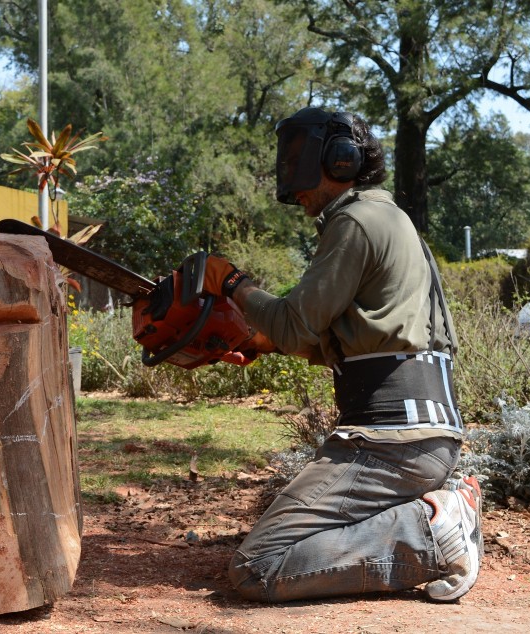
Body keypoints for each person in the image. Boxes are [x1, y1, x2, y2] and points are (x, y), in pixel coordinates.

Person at [201, 107, 482, 603]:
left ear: (340, 158)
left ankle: (433, 534)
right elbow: (351, 340)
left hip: (387, 444)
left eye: (295, 162)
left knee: (256, 568)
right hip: (423, 438)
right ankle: (435, 515)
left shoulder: (354, 221)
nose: (292, 189)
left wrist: (231, 282)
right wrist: (265, 341)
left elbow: (293, 323)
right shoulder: (390, 219)